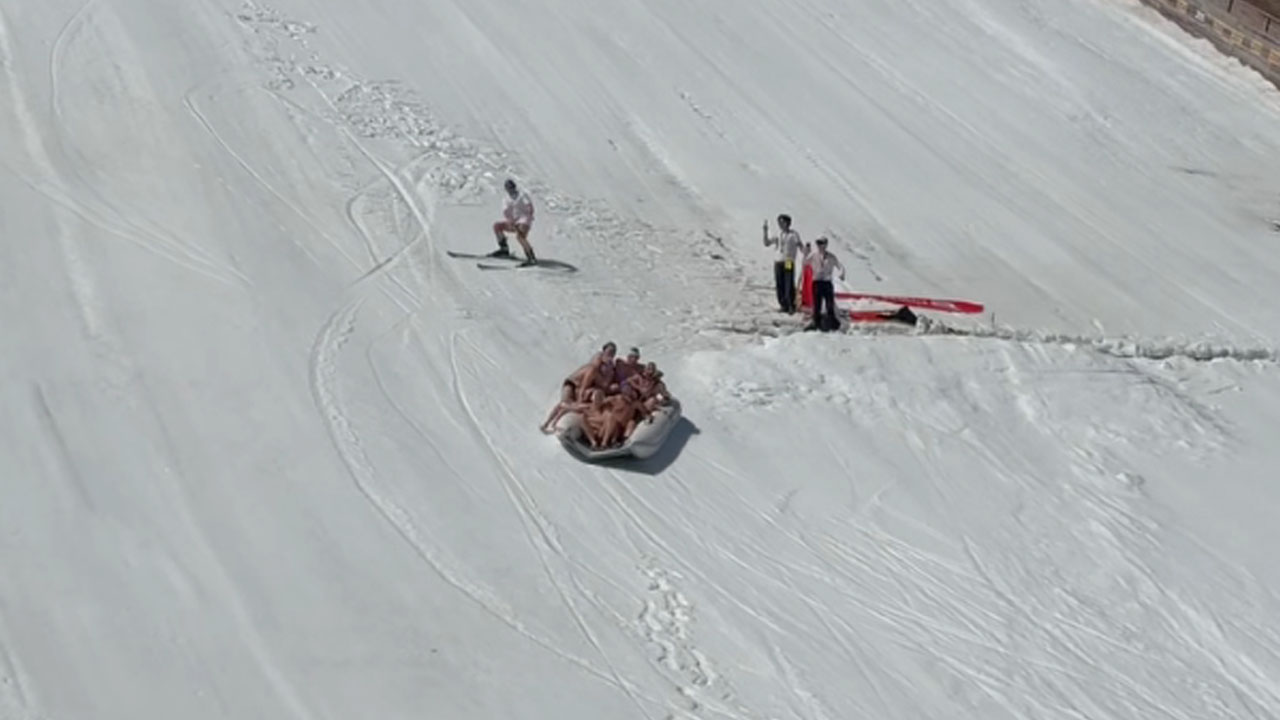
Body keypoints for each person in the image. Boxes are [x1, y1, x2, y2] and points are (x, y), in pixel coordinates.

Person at [491, 178, 537, 266]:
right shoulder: (506, 199)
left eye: (511, 188)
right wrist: (510, 221)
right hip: (514, 221)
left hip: (524, 220)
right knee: (497, 226)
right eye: (508, 188)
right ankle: (504, 249)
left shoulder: (522, 195)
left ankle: (531, 257)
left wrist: (528, 218)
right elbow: (506, 212)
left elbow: (529, 207)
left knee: (520, 236)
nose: (510, 190)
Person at [763, 214, 802, 313]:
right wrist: (765, 231)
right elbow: (767, 243)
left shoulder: (793, 234)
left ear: (787, 223)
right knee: (780, 283)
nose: (780, 224)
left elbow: (799, 245)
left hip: (788, 260)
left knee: (788, 282)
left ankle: (791, 305)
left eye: (782, 222)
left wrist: (805, 252)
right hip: (778, 261)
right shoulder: (778, 234)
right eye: (779, 222)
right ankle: (783, 304)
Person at [804, 237, 845, 332]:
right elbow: (805, 262)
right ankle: (816, 322)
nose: (819, 246)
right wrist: (806, 253)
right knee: (817, 304)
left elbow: (840, 265)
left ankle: (833, 323)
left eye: (821, 243)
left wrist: (842, 274)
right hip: (817, 282)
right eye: (818, 243)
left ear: (826, 244)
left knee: (829, 303)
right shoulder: (813, 255)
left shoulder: (831, 256)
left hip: (827, 282)